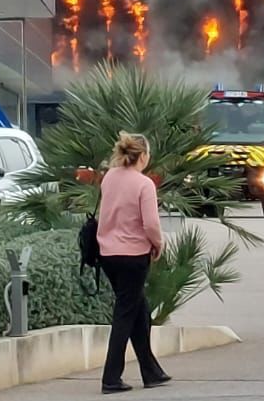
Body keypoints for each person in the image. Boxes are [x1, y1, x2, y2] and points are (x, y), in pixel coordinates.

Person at [96, 132, 170, 393]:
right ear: (144, 156)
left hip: (108, 253)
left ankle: (151, 371)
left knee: (139, 310)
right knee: (126, 314)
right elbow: (150, 224)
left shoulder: (109, 178)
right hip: (134, 254)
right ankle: (111, 378)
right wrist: (158, 244)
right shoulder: (143, 184)